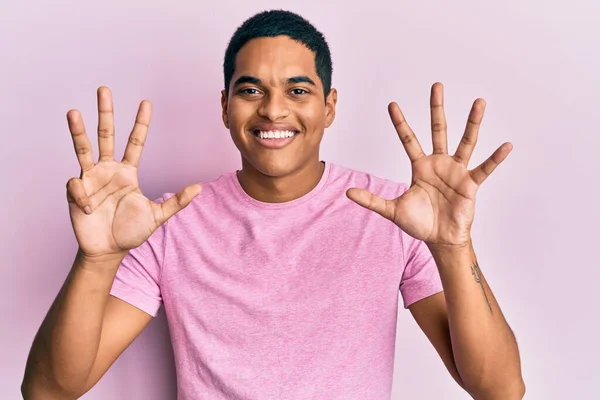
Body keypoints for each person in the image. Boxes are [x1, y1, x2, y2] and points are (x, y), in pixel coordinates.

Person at [21, 9, 525, 400]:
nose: (273, 109)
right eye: (251, 90)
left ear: (328, 107)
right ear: (225, 107)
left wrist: (454, 248)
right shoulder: (169, 224)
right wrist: (98, 259)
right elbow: (50, 390)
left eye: (297, 89)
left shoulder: (396, 215)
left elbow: (499, 389)